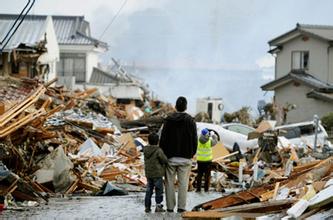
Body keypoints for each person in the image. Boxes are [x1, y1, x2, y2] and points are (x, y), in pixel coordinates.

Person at [159, 96, 198, 213]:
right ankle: (181, 207)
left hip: (170, 157)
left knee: (169, 184)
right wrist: (192, 153)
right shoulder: (191, 121)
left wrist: (164, 154)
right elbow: (194, 139)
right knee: (183, 184)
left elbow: (163, 139)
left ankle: (170, 207)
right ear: (186, 107)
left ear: (175, 106)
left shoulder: (168, 120)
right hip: (185, 158)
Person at [144, 132, 168, 213]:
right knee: (159, 190)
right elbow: (164, 160)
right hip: (157, 174)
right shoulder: (158, 150)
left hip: (149, 173)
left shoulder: (145, 150)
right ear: (158, 141)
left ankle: (147, 207)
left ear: (148, 141)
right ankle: (158, 206)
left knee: (149, 190)